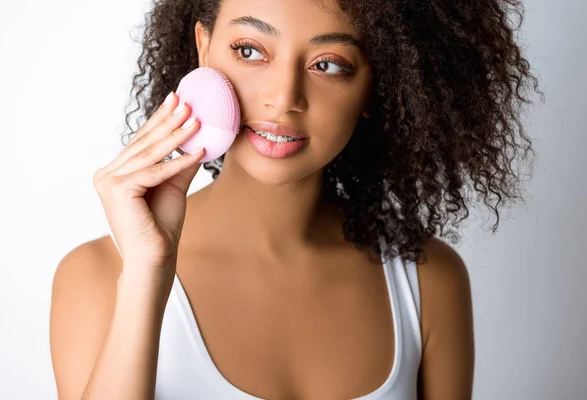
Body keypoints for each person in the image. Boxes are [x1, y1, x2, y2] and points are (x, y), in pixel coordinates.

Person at [49, 0, 542, 399]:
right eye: (249, 51)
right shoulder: (100, 276)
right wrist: (147, 272)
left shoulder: (428, 280)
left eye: (328, 64)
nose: (284, 97)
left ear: (376, 84)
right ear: (204, 49)